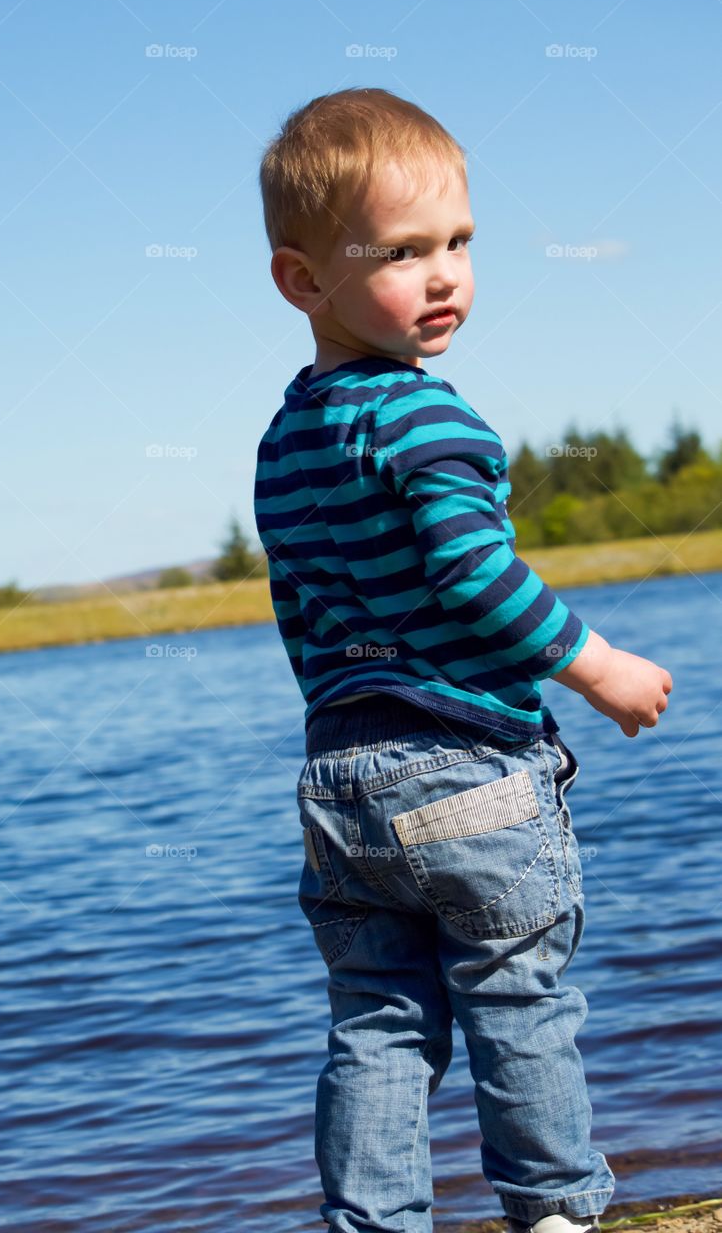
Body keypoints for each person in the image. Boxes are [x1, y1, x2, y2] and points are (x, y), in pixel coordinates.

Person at [253, 88, 672, 1233]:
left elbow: (305, 604)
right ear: (302, 280)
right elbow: (475, 581)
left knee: (378, 1016)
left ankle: (375, 1221)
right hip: (464, 768)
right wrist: (596, 664)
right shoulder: (432, 421)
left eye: (457, 243)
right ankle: (551, 1210)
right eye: (399, 251)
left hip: (338, 780)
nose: (442, 275)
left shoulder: (287, 438)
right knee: (516, 992)